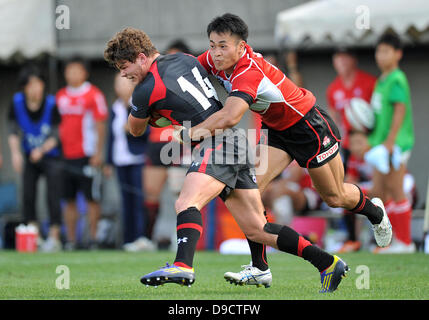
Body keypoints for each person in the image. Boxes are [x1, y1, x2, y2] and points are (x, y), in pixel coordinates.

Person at [104, 27, 349, 293]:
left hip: (216, 143)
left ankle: (182, 265)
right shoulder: (186, 58)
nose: (123, 73)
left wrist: (155, 115)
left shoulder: (144, 89)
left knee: (187, 201)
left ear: (141, 57)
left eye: (124, 66)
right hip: (233, 141)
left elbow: (135, 129)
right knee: (258, 229)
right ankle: (327, 262)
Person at [176, 13, 392, 285]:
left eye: (223, 46)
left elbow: (230, 117)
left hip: (307, 126)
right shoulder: (213, 59)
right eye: (212, 45)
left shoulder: (248, 71)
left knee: (334, 197)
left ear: (241, 47)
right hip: (276, 130)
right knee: (248, 190)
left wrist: (191, 133)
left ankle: (375, 212)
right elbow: (185, 70)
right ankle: (259, 268)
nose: (216, 53)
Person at [139, 39, 194, 250]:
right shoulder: (154, 81)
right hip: (156, 141)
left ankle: (176, 238)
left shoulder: (191, 83)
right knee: (151, 191)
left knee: (178, 193)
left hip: (179, 142)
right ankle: (147, 238)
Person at [365, 33, 415, 253]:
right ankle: (389, 241)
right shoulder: (381, 81)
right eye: (379, 50)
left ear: (398, 54)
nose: (381, 55)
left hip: (394, 144)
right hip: (380, 145)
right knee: (380, 191)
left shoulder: (397, 78)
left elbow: (400, 109)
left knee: (396, 189)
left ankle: (405, 242)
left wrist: (391, 141)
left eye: (386, 51)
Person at [326, 47, 377, 252]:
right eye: (337, 57)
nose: (341, 61)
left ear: (353, 59)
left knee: (379, 187)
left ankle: (380, 236)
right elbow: (333, 119)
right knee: (344, 188)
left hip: (369, 144)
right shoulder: (333, 88)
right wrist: (337, 144)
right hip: (347, 148)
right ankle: (352, 238)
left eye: (345, 56)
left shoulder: (368, 82)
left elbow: (377, 114)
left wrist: (371, 139)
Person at [7, 65, 63, 252]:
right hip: (29, 156)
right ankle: (34, 235)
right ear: (24, 87)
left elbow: (56, 135)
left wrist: (41, 149)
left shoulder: (51, 103)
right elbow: (13, 131)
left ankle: (54, 236)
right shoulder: (16, 103)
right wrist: (15, 153)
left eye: (39, 84)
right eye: (31, 85)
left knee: (53, 195)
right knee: (28, 194)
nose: (36, 88)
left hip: (51, 156)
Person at [56, 57, 108, 250]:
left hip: (87, 155)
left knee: (91, 198)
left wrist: (98, 153)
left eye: (77, 70)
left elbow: (100, 125)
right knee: (68, 199)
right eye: (69, 71)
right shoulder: (60, 96)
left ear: (85, 72)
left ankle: (93, 239)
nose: (73, 74)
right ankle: (71, 240)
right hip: (66, 156)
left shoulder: (94, 94)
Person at [104, 73, 153, 250]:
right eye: (119, 84)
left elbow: (148, 131)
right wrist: (108, 161)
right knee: (125, 201)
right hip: (120, 160)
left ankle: (141, 237)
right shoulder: (114, 108)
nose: (122, 87)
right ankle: (128, 239)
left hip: (137, 158)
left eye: (126, 83)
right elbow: (110, 137)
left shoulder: (138, 105)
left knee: (138, 199)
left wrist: (132, 129)